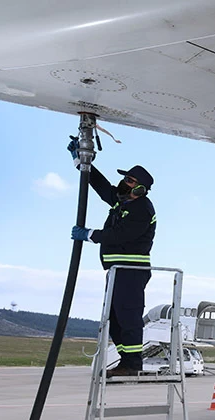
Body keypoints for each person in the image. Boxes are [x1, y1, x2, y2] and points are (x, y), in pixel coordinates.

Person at [69, 140, 157, 377]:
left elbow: (121, 235)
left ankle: (132, 364)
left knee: (128, 316)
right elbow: (102, 187)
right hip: (118, 270)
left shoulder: (142, 209)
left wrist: (90, 235)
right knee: (114, 318)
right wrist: (82, 163)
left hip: (132, 271)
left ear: (140, 189)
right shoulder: (123, 202)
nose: (124, 182)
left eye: (129, 180)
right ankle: (126, 360)